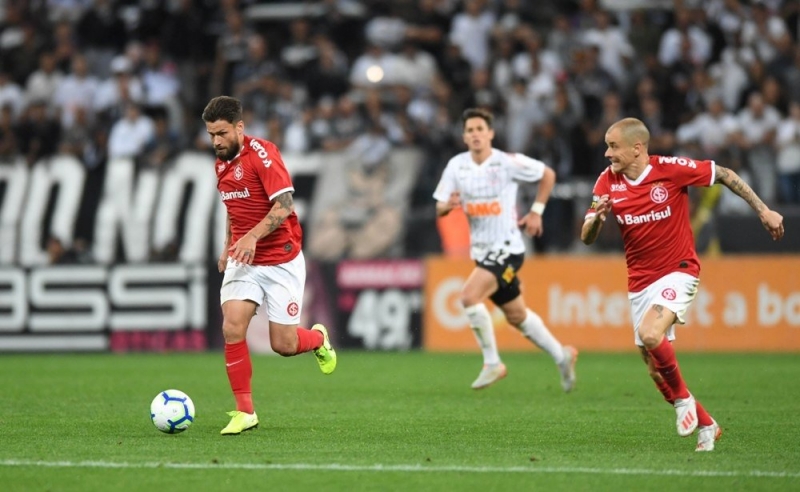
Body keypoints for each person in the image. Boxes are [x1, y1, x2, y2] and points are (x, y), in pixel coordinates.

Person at [581, 117, 784, 452]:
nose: (606, 153)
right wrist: (598, 219)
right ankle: (706, 423)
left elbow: (725, 175)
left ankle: (683, 403)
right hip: (639, 281)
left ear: (637, 148)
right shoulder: (607, 181)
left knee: (650, 334)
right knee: (654, 369)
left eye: (613, 146)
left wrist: (764, 211)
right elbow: (586, 236)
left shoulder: (671, 169)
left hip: (679, 269)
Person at [202, 95, 337, 435]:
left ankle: (318, 340)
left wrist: (251, 238)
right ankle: (245, 411)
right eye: (211, 135)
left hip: (281, 259)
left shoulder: (263, 154)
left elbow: (285, 206)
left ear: (239, 128)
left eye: (221, 133)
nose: (216, 141)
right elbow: (234, 210)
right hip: (244, 259)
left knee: (284, 345)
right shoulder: (221, 163)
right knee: (232, 327)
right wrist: (228, 245)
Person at [433, 107, 578, 392]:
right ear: (464, 136)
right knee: (517, 316)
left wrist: (536, 212)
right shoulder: (456, 166)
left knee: (469, 296)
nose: (475, 134)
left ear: (490, 134)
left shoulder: (507, 162)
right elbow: (439, 205)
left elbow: (547, 174)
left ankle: (492, 363)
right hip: (482, 252)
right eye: (470, 130)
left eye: (480, 129)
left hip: (509, 248)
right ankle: (562, 356)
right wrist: (446, 206)